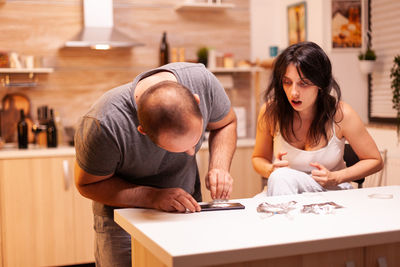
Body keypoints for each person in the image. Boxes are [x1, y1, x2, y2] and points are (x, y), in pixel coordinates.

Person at [74, 62, 237, 266]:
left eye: (195, 141)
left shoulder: (202, 82)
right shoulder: (104, 124)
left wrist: (219, 166)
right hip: (124, 218)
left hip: (185, 209)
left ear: (197, 100)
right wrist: (152, 196)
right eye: (176, 148)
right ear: (142, 130)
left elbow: (226, 123)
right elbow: (87, 184)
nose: (191, 152)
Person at [252, 41, 383, 196]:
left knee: (280, 179)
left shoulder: (341, 114)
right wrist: (271, 169)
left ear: (320, 84)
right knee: (279, 178)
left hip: (330, 192)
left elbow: (375, 160)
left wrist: (336, 177)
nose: (294, 92)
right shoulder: (271, 112)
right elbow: (258, 158)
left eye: (304, 83)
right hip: (284, 189)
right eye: (287, 82)